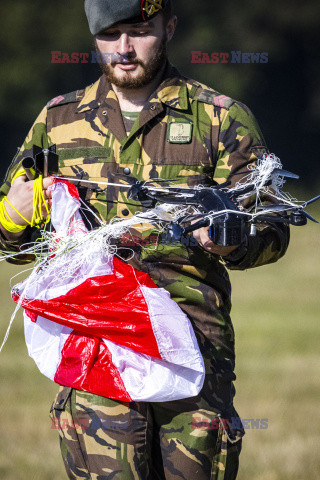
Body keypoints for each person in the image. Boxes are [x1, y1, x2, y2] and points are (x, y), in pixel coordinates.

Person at [0, 0, 290, 478]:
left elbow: (275, 226)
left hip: (191, 357)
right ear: (93, 37)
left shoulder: (219, 119)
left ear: (169, 28)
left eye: (140, 31)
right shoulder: (57, 121)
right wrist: (13, 217)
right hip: (97, 352)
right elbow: (10, 237)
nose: (125, 48)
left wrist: (232, 240)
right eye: (110, 35)